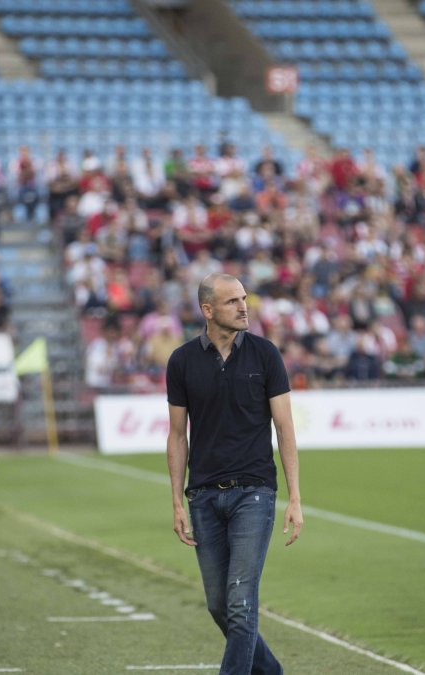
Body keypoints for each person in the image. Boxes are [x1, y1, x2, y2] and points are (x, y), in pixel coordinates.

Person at [166, 273, 302, 674]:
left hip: (254, 494)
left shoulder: (266, 354)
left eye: (244, 298)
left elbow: (285, 427)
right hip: (203, 496)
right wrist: (176, 500)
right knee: (220, 605)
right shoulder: (182, 361)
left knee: (241, 603)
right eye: (232, 301)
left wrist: (294, 496)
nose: (244, 306)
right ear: (207, 310)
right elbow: (177, 436)